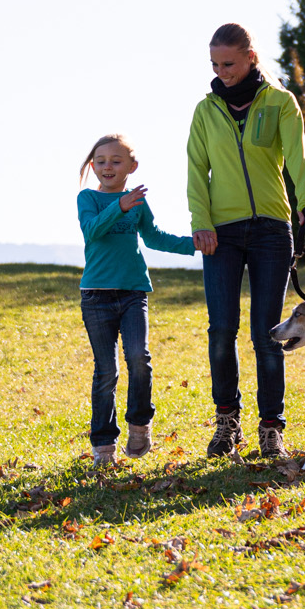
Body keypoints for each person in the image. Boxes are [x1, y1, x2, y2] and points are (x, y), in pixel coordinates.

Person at [186, 23, 305, 459]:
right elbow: (196, 171)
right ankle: (227, 423)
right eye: (215, 64)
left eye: (228, 63)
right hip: (221, 233)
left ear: (249, 57)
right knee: (222, 330)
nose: (221, 71)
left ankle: (271, 429)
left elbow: (298, 159)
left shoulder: (280, 103)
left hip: (270, 230)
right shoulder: (206, 112)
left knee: (269, 333)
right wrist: (201, 221)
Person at [77, 133, 194, 467]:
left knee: (138, 358)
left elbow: (155, 237)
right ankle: (103, 447)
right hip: (96, 295)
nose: (107, 167)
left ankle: (140, 424)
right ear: (92, 166)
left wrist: (195, 244)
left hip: (132, 292)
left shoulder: (137, 202)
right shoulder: (87, 198)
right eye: (100, 162)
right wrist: (119, 206)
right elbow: (92, 231)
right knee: (106, 370)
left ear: (132, 166)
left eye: (116, 161)